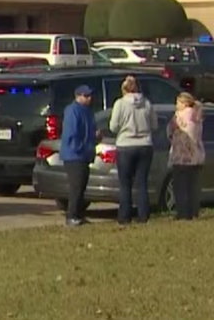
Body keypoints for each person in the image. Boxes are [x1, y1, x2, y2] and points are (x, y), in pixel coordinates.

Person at [108, 75, 158, 225]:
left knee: (125, 183)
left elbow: (113, 127)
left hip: (125, 144)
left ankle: (125, 216)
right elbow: (154, 125)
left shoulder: (120, 104)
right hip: (145, 144)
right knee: (142, 182)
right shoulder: (147, 103)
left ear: (123, 89)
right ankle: (143, 215)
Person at [59, 85, 98, 227]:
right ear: (78, 96)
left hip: (85, 154)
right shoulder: (72, 111)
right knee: (76, 186)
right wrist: (81, 147)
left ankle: (79, 214)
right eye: (86, 96)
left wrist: (94, 138)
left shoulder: (87, 111)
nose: (89, 98)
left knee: (82, 186)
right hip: (74, 155)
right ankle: (72, 216)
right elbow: (71, 134)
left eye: (90, 95)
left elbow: (89, 131)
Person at [167, 92, 205, 220]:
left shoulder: (179, 116)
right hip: (196, 155)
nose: (176, 105)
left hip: (181, 156)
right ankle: (194, 212)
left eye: (177, 102)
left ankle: (183, 213)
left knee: (180, 187)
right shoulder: (198, 115)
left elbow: (169, 131)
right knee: (193, 187)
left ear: (184, 103)